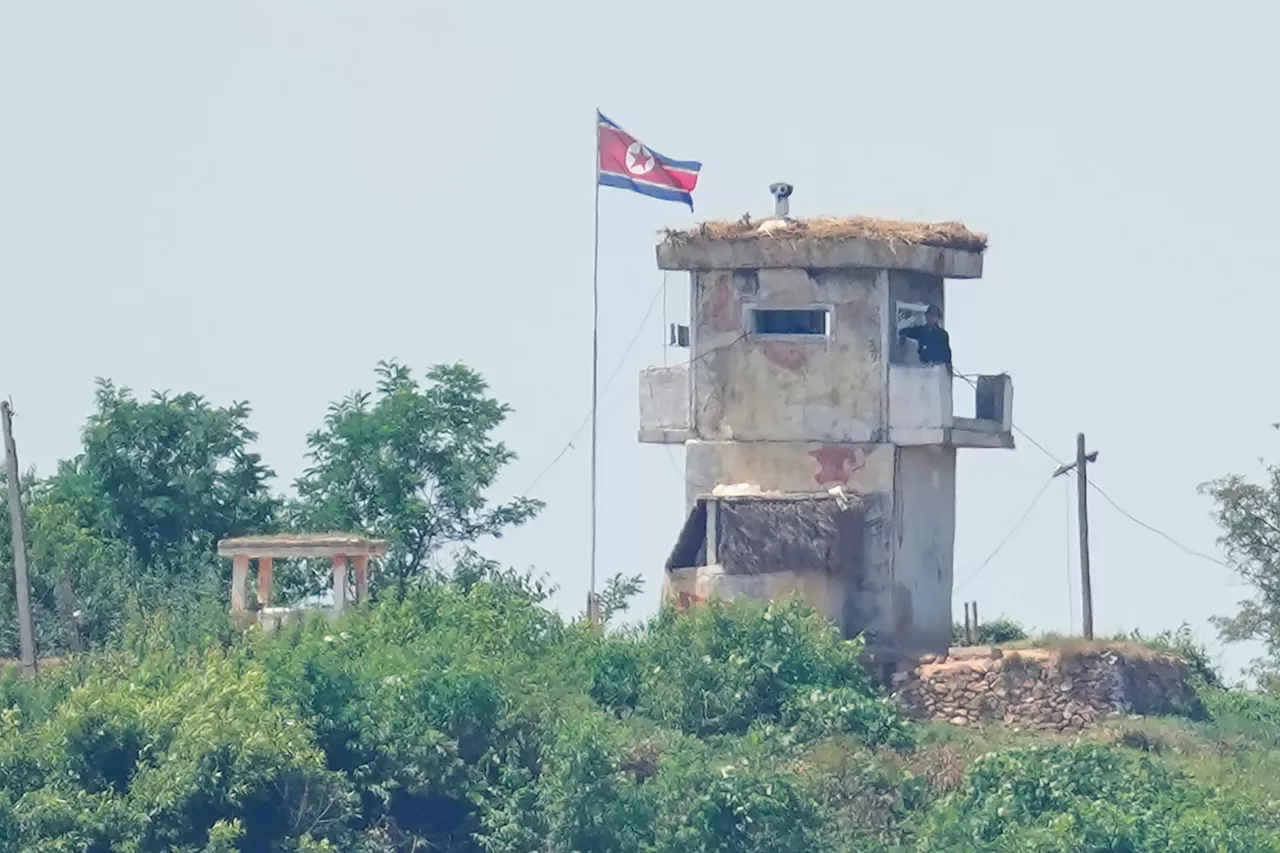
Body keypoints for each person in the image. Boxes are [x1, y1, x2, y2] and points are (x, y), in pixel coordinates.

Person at [899, 304, 952, 369]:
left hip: (936, 367)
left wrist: (948, 367)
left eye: (933, 316)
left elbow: (946, 353)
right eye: (929, 315)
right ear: (926, 316)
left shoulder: (942, 334)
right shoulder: (920, 331)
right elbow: (904, 332)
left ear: (937, 318)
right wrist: (903, 338)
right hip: (922, 366)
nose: (931, 318)